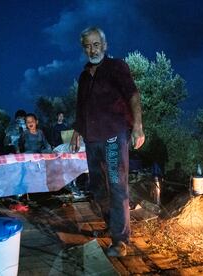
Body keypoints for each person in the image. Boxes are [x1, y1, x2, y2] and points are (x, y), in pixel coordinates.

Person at [69, 26, 145, 257]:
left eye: (96, 44)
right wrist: (76, 131)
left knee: (117, 186)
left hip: (114, 136)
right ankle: (112, 225)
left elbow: (133, 94)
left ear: (105, 45)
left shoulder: (116, 67)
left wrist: (138, 126)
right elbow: (81, 106)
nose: (92, 49)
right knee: (98, 188)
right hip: (92, 140)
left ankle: (120, 240)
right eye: (88, 46)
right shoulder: (84, 76)